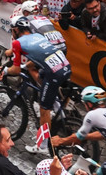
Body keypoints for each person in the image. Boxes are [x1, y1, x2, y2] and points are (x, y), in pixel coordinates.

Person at [7, 15, 71, 150]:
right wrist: (26, 67)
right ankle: (54, 101)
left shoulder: (17, 43)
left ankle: (42, 145)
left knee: (44, 109)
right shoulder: (39, 36)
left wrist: (5, 71)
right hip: (65, 66)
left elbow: (15, 69)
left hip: (55, 73)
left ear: (16, 30)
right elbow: (40, 56)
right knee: (41, 76)